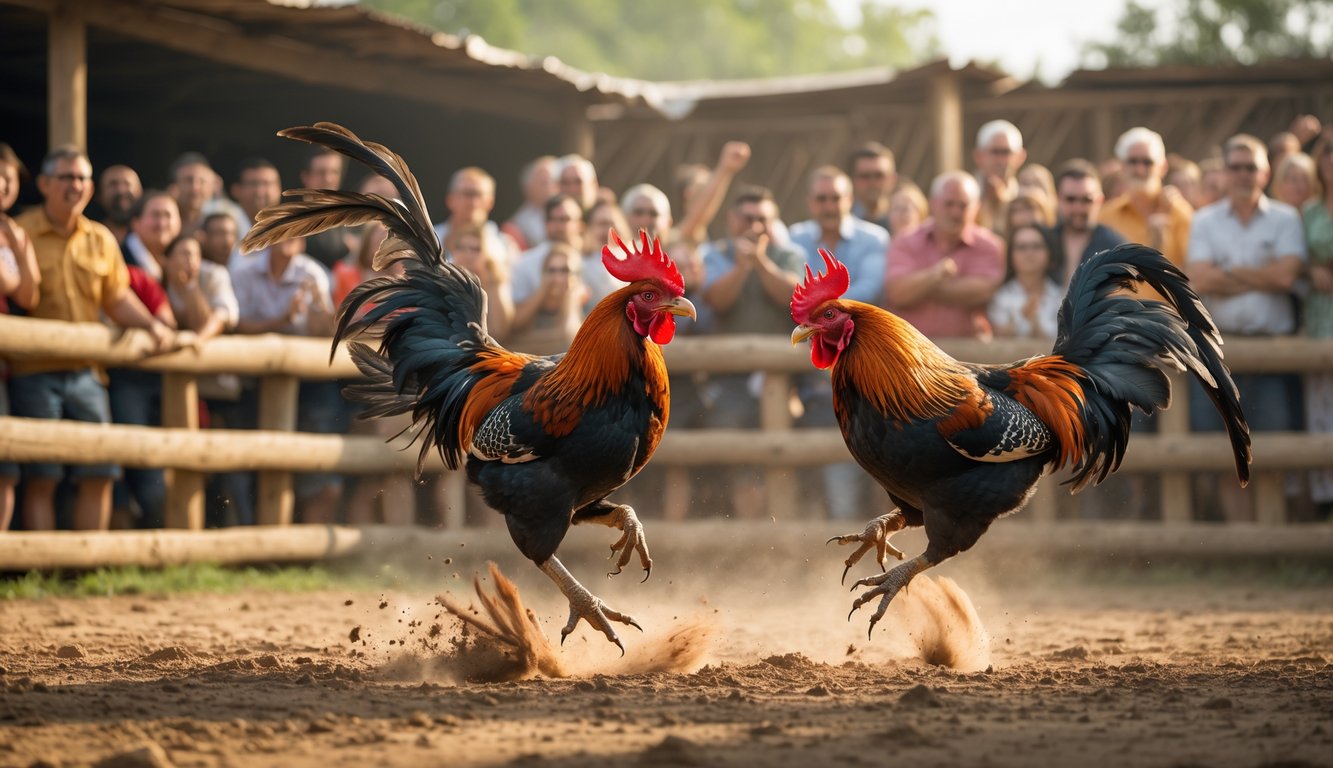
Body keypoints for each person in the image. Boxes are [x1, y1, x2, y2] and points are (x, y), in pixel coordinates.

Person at [12, 145, 178, 531]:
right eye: (66, 177)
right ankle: (43, 561)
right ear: (44, 184)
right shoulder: (21, 231)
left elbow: (116, 298)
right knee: (43, 476)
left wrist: (151, 324)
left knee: (100, 472)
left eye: (82, 178)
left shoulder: (100, 237)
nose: (75, 185)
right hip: (34, 372)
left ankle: (91, 559)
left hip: (88, 373)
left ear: (91, 188)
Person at [1185, 133, 1306, 522]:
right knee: (1224, 452)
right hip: (1220, 355)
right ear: (1224, 171)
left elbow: (1286, 277)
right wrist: (1261, 276)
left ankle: (1272, 535)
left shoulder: (1287, 218)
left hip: (1273, 352)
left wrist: (1230, 273)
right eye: (1235, 167)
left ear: (1265, 172)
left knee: (1274, 447)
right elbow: (1200, 279)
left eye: (1250, 167)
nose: (1242, 174)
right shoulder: (1204, 220)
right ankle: (1242, 535)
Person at [789, 165, 889, 519]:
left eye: (836, 198)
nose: (829, 205)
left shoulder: (874, 238)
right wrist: (826, 315)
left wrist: (822, 311)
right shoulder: (794, 238)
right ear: (810, 202)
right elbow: (790, 290)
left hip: (864, 368)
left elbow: (871, 290)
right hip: (811, 373)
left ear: (850, 199)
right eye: (822, 198)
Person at [699, 186, 804, 519]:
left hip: (784, 378)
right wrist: (743, 267)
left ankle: (782, 522)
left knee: (782, 451)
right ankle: (741, 524)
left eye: (763, 219)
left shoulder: (788, 255)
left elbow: (795, 298)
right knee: (733, 448)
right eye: (748, 218)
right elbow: (716, 300)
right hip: (729, 379)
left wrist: (760, 262)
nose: (755, 226)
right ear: (732, 220)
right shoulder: (715, 254)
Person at [232, 235, 343, 524]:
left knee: (315, 464)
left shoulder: (313, 273)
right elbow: (235, 325)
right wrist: (281, 321)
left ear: (302, 243)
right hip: (251, 383)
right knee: (252, 463)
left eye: (294, 233)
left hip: (309, 383)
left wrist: (317, 306)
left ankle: (301, 533)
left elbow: (324, 333)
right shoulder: (243, 272)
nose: (287, 238)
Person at [885, 170, 1005, 340]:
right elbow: (897, 293)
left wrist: (921, 284)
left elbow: (982, 291)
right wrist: (935, 274)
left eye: (962, 205)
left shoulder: (990, 246)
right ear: (933, 203)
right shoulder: (905, 241)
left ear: (976, 207)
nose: (955, 212)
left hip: (967, 351)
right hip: (909, 348)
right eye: (949, 204)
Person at [0, 142, 40, 530]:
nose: (3, 185)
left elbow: (28, 295)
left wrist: (18, 246)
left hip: (4, 362)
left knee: (5, 468)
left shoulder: (15, 231)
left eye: (9, 178)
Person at [1100, 127, 1193, 267]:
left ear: (1163, 167)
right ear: (1122, 167)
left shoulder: (1180, 212)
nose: (1140, 170)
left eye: (1147, 162)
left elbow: (1193, 269)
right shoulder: (1106, 216)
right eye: (1133, 161)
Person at [1302, 136, 1333, 520]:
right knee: (1322, 414)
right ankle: (1326, 503)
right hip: (1319, 319)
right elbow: (1298, 260)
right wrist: (1311, 270)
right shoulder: (1309, 211)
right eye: (1328, 151)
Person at [1049, 159, 1127, 287]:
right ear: (1058, 199)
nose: (1078, 208)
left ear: (1100, 201)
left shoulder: (1115, 248)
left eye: (1087, 200)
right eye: (1070, 199)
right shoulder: (1043, 243)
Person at [506, 242, 585, 356]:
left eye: (565, 270)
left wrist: (571, 299)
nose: (557, 278)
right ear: (543, 273)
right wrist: (542, 291)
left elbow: (569, 336)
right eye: (552, 270)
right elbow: (511, 330)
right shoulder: (535, 300)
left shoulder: (577, 302)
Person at [988, 223, 1061, 339]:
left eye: (1037, 246)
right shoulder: (999, 297)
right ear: (1010, 255)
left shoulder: (1061, 297)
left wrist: (1035, 323)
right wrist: (1022, 317)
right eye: (1021, 247)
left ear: (1050, 253)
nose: (1029, 253)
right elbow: (996, 339)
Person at [433, 166, 517, 264]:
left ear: (490, 202)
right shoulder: (430, 240)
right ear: (450, 200)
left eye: (479, 195)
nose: (473, 203)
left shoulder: (505, 247)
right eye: (467, 194)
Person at [298, 147, 353, 271]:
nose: (328, 179)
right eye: (321, 172)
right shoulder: (290, 218)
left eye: (334, 172)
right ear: (305, 177)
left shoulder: (350, 218)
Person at [973, 119, 1026, 233]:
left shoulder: (1026, 198)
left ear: (1020, 157)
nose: (1000, 160)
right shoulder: (963, 197)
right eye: (995, 152)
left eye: (1005, 152)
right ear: (978, 156)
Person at [501, 155, 557, 252]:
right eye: (545, 182)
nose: (551, 187)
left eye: (554, 181)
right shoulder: (516, 226)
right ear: (528, 188)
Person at [847, 141, 897, 232]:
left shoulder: (904, 222)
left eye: (879, 175)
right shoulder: (841, 222)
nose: (872, 182)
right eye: (865, 176)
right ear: (852, 180)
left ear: (892, 179)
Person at [96, 164, 141, 243]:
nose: (121, 191)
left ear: (140, 192)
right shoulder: (91, 237)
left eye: (127, 184)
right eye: (113, 184)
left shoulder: (151, 237)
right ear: (100, 195)